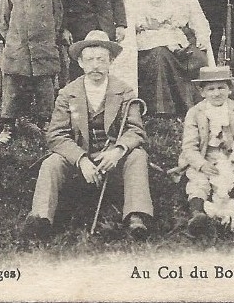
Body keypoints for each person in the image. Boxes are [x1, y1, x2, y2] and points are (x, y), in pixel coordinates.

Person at [22, 30, 152, 240]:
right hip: (79, 160)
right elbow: (56, 135)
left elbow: (136, 130)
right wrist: (81, 160)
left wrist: (118, 151)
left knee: (137, 156)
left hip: (112, 160)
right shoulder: (67, 93)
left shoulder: (125, 91)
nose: (95, 65)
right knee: (51, 163)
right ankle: (41, 219)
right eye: (90, 60)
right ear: (81, 63)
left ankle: (136, 216)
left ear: (111, 61)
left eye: (101, 59)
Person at [178, 66, 234, 238]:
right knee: (198, 182)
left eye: (221, 88)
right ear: (202, 92)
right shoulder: (195, 113)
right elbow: (189, 146)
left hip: (233, 158)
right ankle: (197, 216)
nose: (216, 93)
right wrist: (202, 164)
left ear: (229, 89)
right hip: (205, 158)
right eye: (210, 89)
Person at [0, 0, 65, 145]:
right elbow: (3, 21)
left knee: (45, 90)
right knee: (13, 90)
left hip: (43, 50)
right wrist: (15, 41)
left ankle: (46, 125)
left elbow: (57, 19)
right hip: (18, 51)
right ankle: (8, 126)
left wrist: (47, 39)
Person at [133, 0, 214, 117]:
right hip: (152, 39)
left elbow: (197, 17)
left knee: (198, 57)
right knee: (161, 55)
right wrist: (146, 25)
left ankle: (194, 104)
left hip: (180, 37)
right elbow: (134, 18)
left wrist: (202, 36)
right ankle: (163, 108)